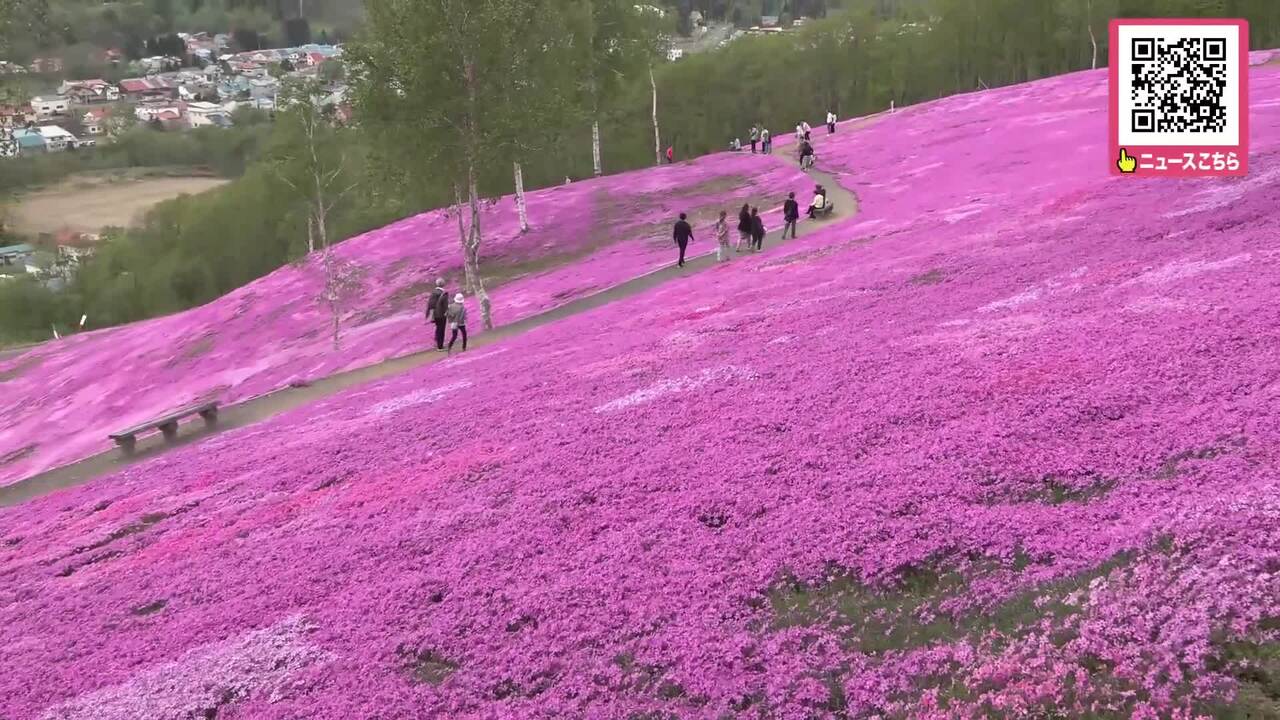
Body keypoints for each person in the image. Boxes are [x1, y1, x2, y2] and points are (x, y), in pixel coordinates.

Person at [426, 278, 450, 351]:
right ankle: (440, 346)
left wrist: (428, 314)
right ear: (443, 284)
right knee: (441, 330)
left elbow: (430, 304)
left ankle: (437, 343)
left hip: (434, 315)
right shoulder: (443, 293)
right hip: (441, 315)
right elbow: (445, 306)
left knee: (438, 328)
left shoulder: (433, 292)